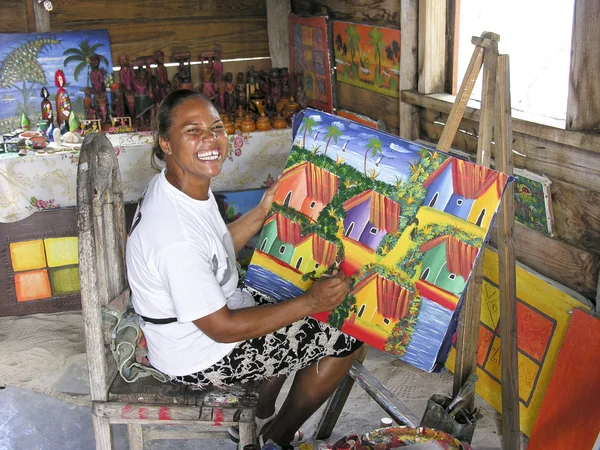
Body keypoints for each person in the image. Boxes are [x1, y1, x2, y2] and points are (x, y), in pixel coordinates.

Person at [126, 90, 362, 447]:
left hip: (199, 325)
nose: (210, 139)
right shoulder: (174, 235)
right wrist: (311, 304)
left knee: (285, 292)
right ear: (166, 144)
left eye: (216, 127)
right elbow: (222, 329)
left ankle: (257, 415)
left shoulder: (179, 188)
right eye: (193, 131)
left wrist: (263, 211)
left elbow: (215, 252)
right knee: (346, 333)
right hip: (198, 356)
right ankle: (276, 437)